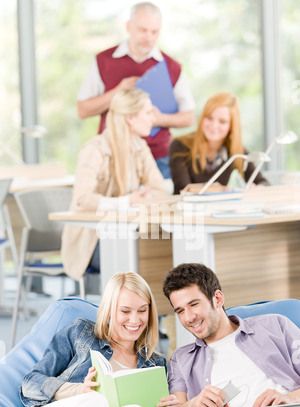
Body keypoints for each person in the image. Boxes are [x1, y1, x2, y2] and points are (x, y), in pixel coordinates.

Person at [13, 271, 179, 407]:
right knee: (94, 401)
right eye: (125, 311)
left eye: (142, 310)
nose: (135, 319)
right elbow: (31, 383)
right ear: (109, 309)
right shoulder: (81, 332)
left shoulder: (156, 364)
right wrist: (78, 390)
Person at [158, 263, 300, 407]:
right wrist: (193, 404)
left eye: (194, 304)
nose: (189, 318)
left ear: (217, 298)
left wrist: (290, 398)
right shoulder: (182, 359)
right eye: (180, 311)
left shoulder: (275, 325)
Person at [77, 2, 195, 178]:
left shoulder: (171, 67)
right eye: (143, 30)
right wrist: (118, 92)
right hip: (113, 156)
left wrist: (159, 119)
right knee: (115, 205)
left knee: (159, 203)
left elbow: (189, 117)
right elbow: (83, 110)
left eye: (154, 32)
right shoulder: (103, 61)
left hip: (158, 159)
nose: (148, 37)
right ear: (128, 26)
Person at [61, 87, 168, 283]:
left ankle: (158, 312)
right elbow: (82, 199)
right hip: (92, 243)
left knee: (162, 247)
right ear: (130, 118)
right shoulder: (95, 149)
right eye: (148, 112)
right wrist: (126, 202)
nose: (153, 119)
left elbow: (159, 189)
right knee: (141, 251)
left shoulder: (140, 147)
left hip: (126, 232)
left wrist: (144, 198)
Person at [169, 92, 269, 194]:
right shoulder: (180, 146)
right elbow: (183, 188)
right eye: (209, 118)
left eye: (222, 121)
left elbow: (262, 182)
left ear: (231, 126)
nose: (214, 126)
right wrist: (220, 190)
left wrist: (259, 187)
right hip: (185, 208)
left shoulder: (235, 150)